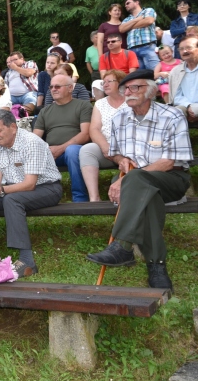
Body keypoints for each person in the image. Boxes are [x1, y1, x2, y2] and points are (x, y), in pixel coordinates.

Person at [86, 70, 193, 289]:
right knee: (147, 197)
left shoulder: (172, 116)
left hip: (171, 178)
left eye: (136, 87)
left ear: (152, 91)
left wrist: (129, 177)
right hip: (133, 179)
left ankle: (122, 246)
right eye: (126, 88)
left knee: (138, 181)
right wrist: (121, 159)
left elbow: (169, 163)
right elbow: (113, 152)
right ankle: (157, 266)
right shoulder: (119, 118)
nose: (129, 92)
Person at [0, 110, 63, 277]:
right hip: (16, 189)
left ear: (12, 127)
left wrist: (0, 190)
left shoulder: (32, 142)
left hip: (48, 188)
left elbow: (30, 184)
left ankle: (27, 260)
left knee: (11, 200)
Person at [33, 74, 91, 202]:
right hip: (50, 153)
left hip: (74, 152)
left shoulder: (83, 106)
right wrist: (45, 150)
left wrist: (61, 148)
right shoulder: (45, 111)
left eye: (58, 86)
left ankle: (80, 199)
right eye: (51, 87)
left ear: (70, 88)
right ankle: (33, 197)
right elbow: (34, 138)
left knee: (72, 151)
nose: (53, 89)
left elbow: (86, 134)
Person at [78, 70, 128, 201]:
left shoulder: (132, 101)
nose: (105, 85)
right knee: (87, 150)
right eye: (103, 82)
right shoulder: (100, 103)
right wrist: (105, 146)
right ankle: (94, 198)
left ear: (121, 83)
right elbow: (94, 129)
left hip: (130, 148)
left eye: (109, 81)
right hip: (107, 149)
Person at [119, 0, 158, 71]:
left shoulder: (148, 10)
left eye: (128, 3)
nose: (126, 5)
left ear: (137, 2)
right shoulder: (127, 19)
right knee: (138, 77)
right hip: (132, 50)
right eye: (125, 4)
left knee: (154, 73)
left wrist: (129, 26)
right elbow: (121, 29)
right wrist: (137, 19)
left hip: (148, 46)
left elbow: (149, 21)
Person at [168, 37, 198, 123]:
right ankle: (180, 136)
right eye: (181, 49)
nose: (184, 51)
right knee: (175, 113)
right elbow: (176, 96)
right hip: (185, 105)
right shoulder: (176, 71)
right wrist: (188, 105)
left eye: (189, 48)